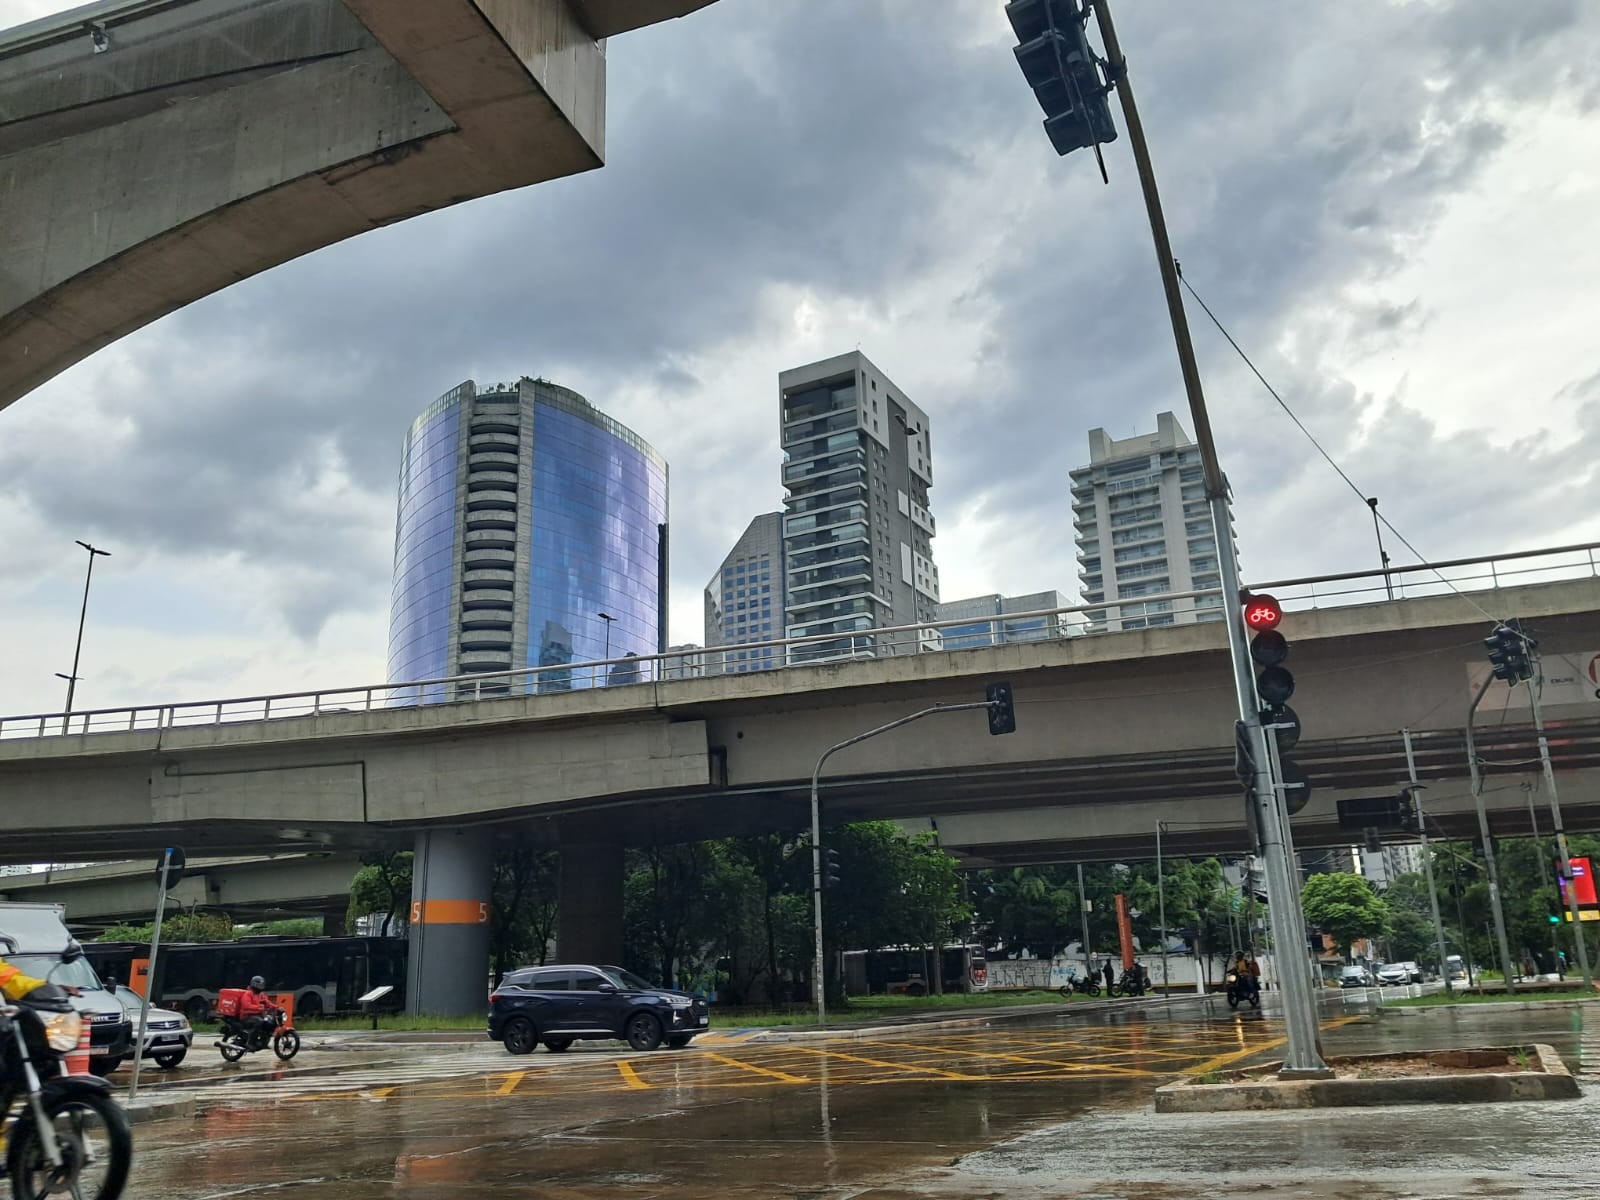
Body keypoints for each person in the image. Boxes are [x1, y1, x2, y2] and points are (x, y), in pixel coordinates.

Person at [237, 975, 279, 1049]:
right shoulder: (248, 994)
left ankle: (264, 1042)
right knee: (259, 1022)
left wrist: (277, 1007)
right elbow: (246, 1005)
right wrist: (258, 1008)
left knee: (270, 1022)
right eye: (260, 985)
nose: (261, 987)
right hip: (246, 1017)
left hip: (257, 1016)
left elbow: (267, 1003)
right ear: (254, 984)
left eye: (262, 985)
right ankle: (250, 1042)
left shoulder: (261, 994)